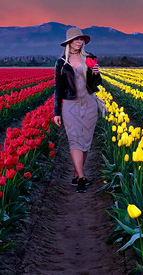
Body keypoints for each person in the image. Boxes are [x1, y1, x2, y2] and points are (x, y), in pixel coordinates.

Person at [53, 27, 102, 193]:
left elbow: (96, 84)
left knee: (86, 141)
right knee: (74, 140)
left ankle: (76, 174)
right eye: (76, 39)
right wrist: (56, 113)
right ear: (69, 43)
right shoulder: (61, 63)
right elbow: (58, 89)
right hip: (70, 105)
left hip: (89, 103)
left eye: (81, 39)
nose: (79, 42)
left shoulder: (89, 58)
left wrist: (96, 73)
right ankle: (81, 178)